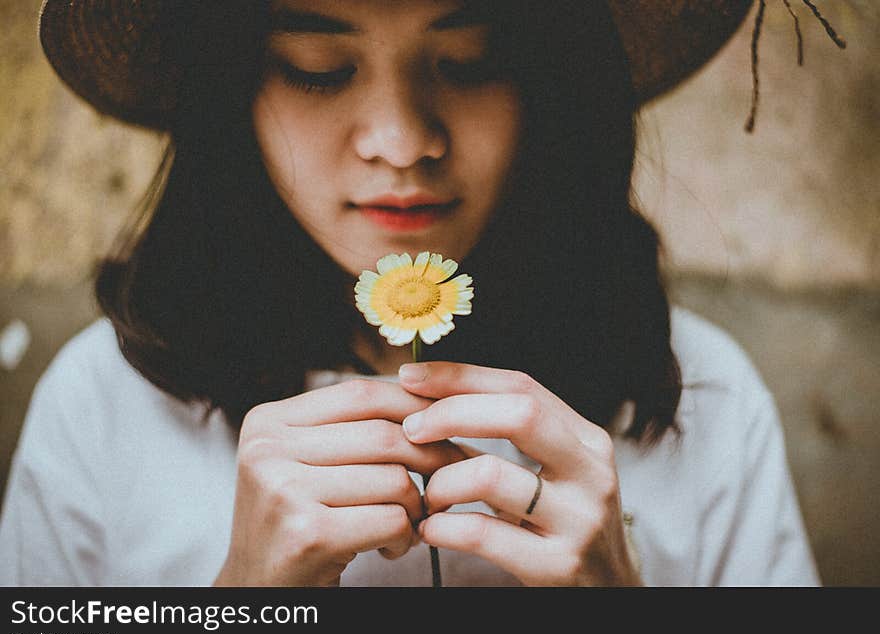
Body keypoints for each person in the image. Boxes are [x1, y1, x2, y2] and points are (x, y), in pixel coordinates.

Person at [0, 0, 821, 586]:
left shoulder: (707, 400)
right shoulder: (101, 409)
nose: (400, 141)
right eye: (319, 69)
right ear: (234, 90)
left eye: (469, 59)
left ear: (550, 79)